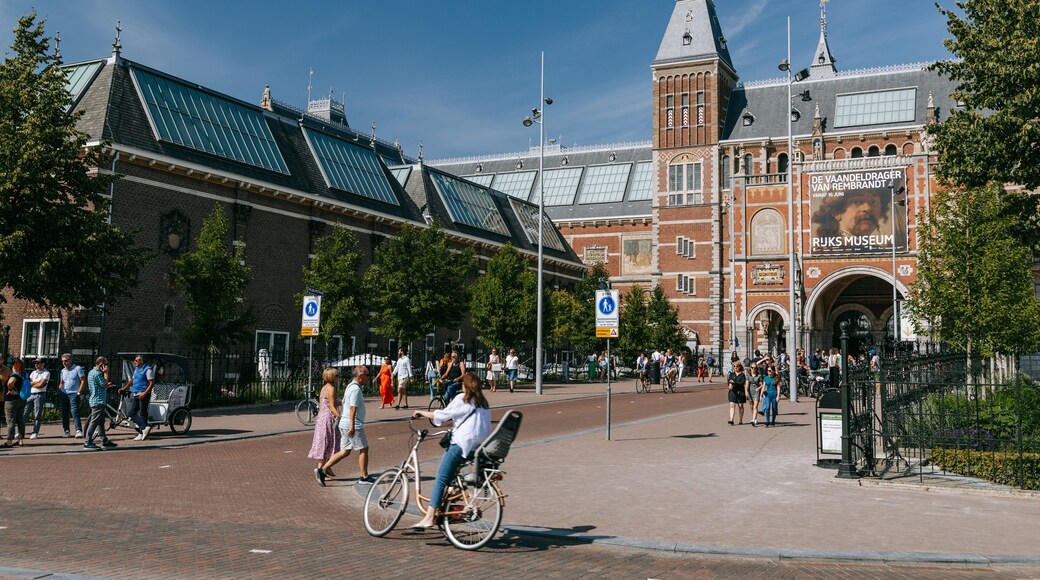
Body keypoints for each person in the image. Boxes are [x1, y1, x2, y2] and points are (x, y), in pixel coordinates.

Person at [409, 371, 491, 529]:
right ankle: (451, 497)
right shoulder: (484, 403)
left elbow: (443, 415)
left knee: (440, 478)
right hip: (478, 447)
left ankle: (429, 517)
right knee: (453, 476)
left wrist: (422, 413)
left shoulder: (463, 399)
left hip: (462, 444)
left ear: (463, 385)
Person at [316, 366, 372, 486]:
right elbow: (352, 408)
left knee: (345, 451)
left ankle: (322, 470)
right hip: (353, 424)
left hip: (345, 423)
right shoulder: (355, 389)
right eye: (367, 375)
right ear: (360, 376)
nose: (369, 377)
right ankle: (364, 476)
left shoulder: (351, 386)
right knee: (364, 448)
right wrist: (352, 426)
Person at [308, 367, 342, 480]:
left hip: (321, 418)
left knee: (327, 442)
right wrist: (338, 416)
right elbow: (331, 406)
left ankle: (327, 468)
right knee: (328, 443)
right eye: (337, 375)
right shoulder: (331, 389)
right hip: (328, 418)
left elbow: (323, 403)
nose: (338, 378)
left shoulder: (324, 388)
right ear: (332, 377)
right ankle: (321, 470)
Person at [83, 357, 117, 450]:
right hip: (98, 401)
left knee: (101, 422)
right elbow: (105, 385)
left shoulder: (91, 372)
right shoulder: (98, 373)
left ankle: (104, 440)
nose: (107, 367)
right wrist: (106, 373)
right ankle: (87, 442)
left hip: (95, 399)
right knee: (94, 422)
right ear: (101, 365)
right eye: (106, 365)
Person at [121, 354, 155, 441]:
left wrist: (144, 393)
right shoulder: (137, 369)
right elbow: (132, 380)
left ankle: (141, 432)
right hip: (135, 393)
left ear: (142, 361)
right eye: (135, 360)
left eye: (136, 360)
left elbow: (151, 383)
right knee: (131, 413)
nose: (134, 362)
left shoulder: (147, 370)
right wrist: (124, 388)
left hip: (143, 394)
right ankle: (144, 428)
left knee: (142, 413)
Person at [58, 354, 86, 438]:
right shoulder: (63, 371)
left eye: (66, 361)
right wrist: (59, 390)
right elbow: (62, 382)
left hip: (74, 393)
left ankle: (78, 430)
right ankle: (66, 430)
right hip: (64, 393)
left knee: (74, 411)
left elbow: (83, 380)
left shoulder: (77, 369)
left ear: (70, 360)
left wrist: (79, 392)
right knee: (64, 413)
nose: (64, 363)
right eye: (62, 361)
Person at [23, 359, 50, 440]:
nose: (36, 365)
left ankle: (35, 432)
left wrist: (34, 383)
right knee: (24, 414)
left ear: (43, 364)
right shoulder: (33, 372)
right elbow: (28, 383)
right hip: (30, 395)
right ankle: (21, 432)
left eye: (38, 363)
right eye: (35, 363)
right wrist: (37, 382)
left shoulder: (46, 373)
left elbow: (41, 385)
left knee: (37, 415)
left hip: (39, 395)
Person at [3, 360, 26, 447]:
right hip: (22, 399)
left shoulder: (15, 375)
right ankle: (20, 440)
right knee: (20, 420)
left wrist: (10, 390)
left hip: (11, 401)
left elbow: (10, 382)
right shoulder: (24, 375)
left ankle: (9, 441)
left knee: (10, 421)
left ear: (14, 366)